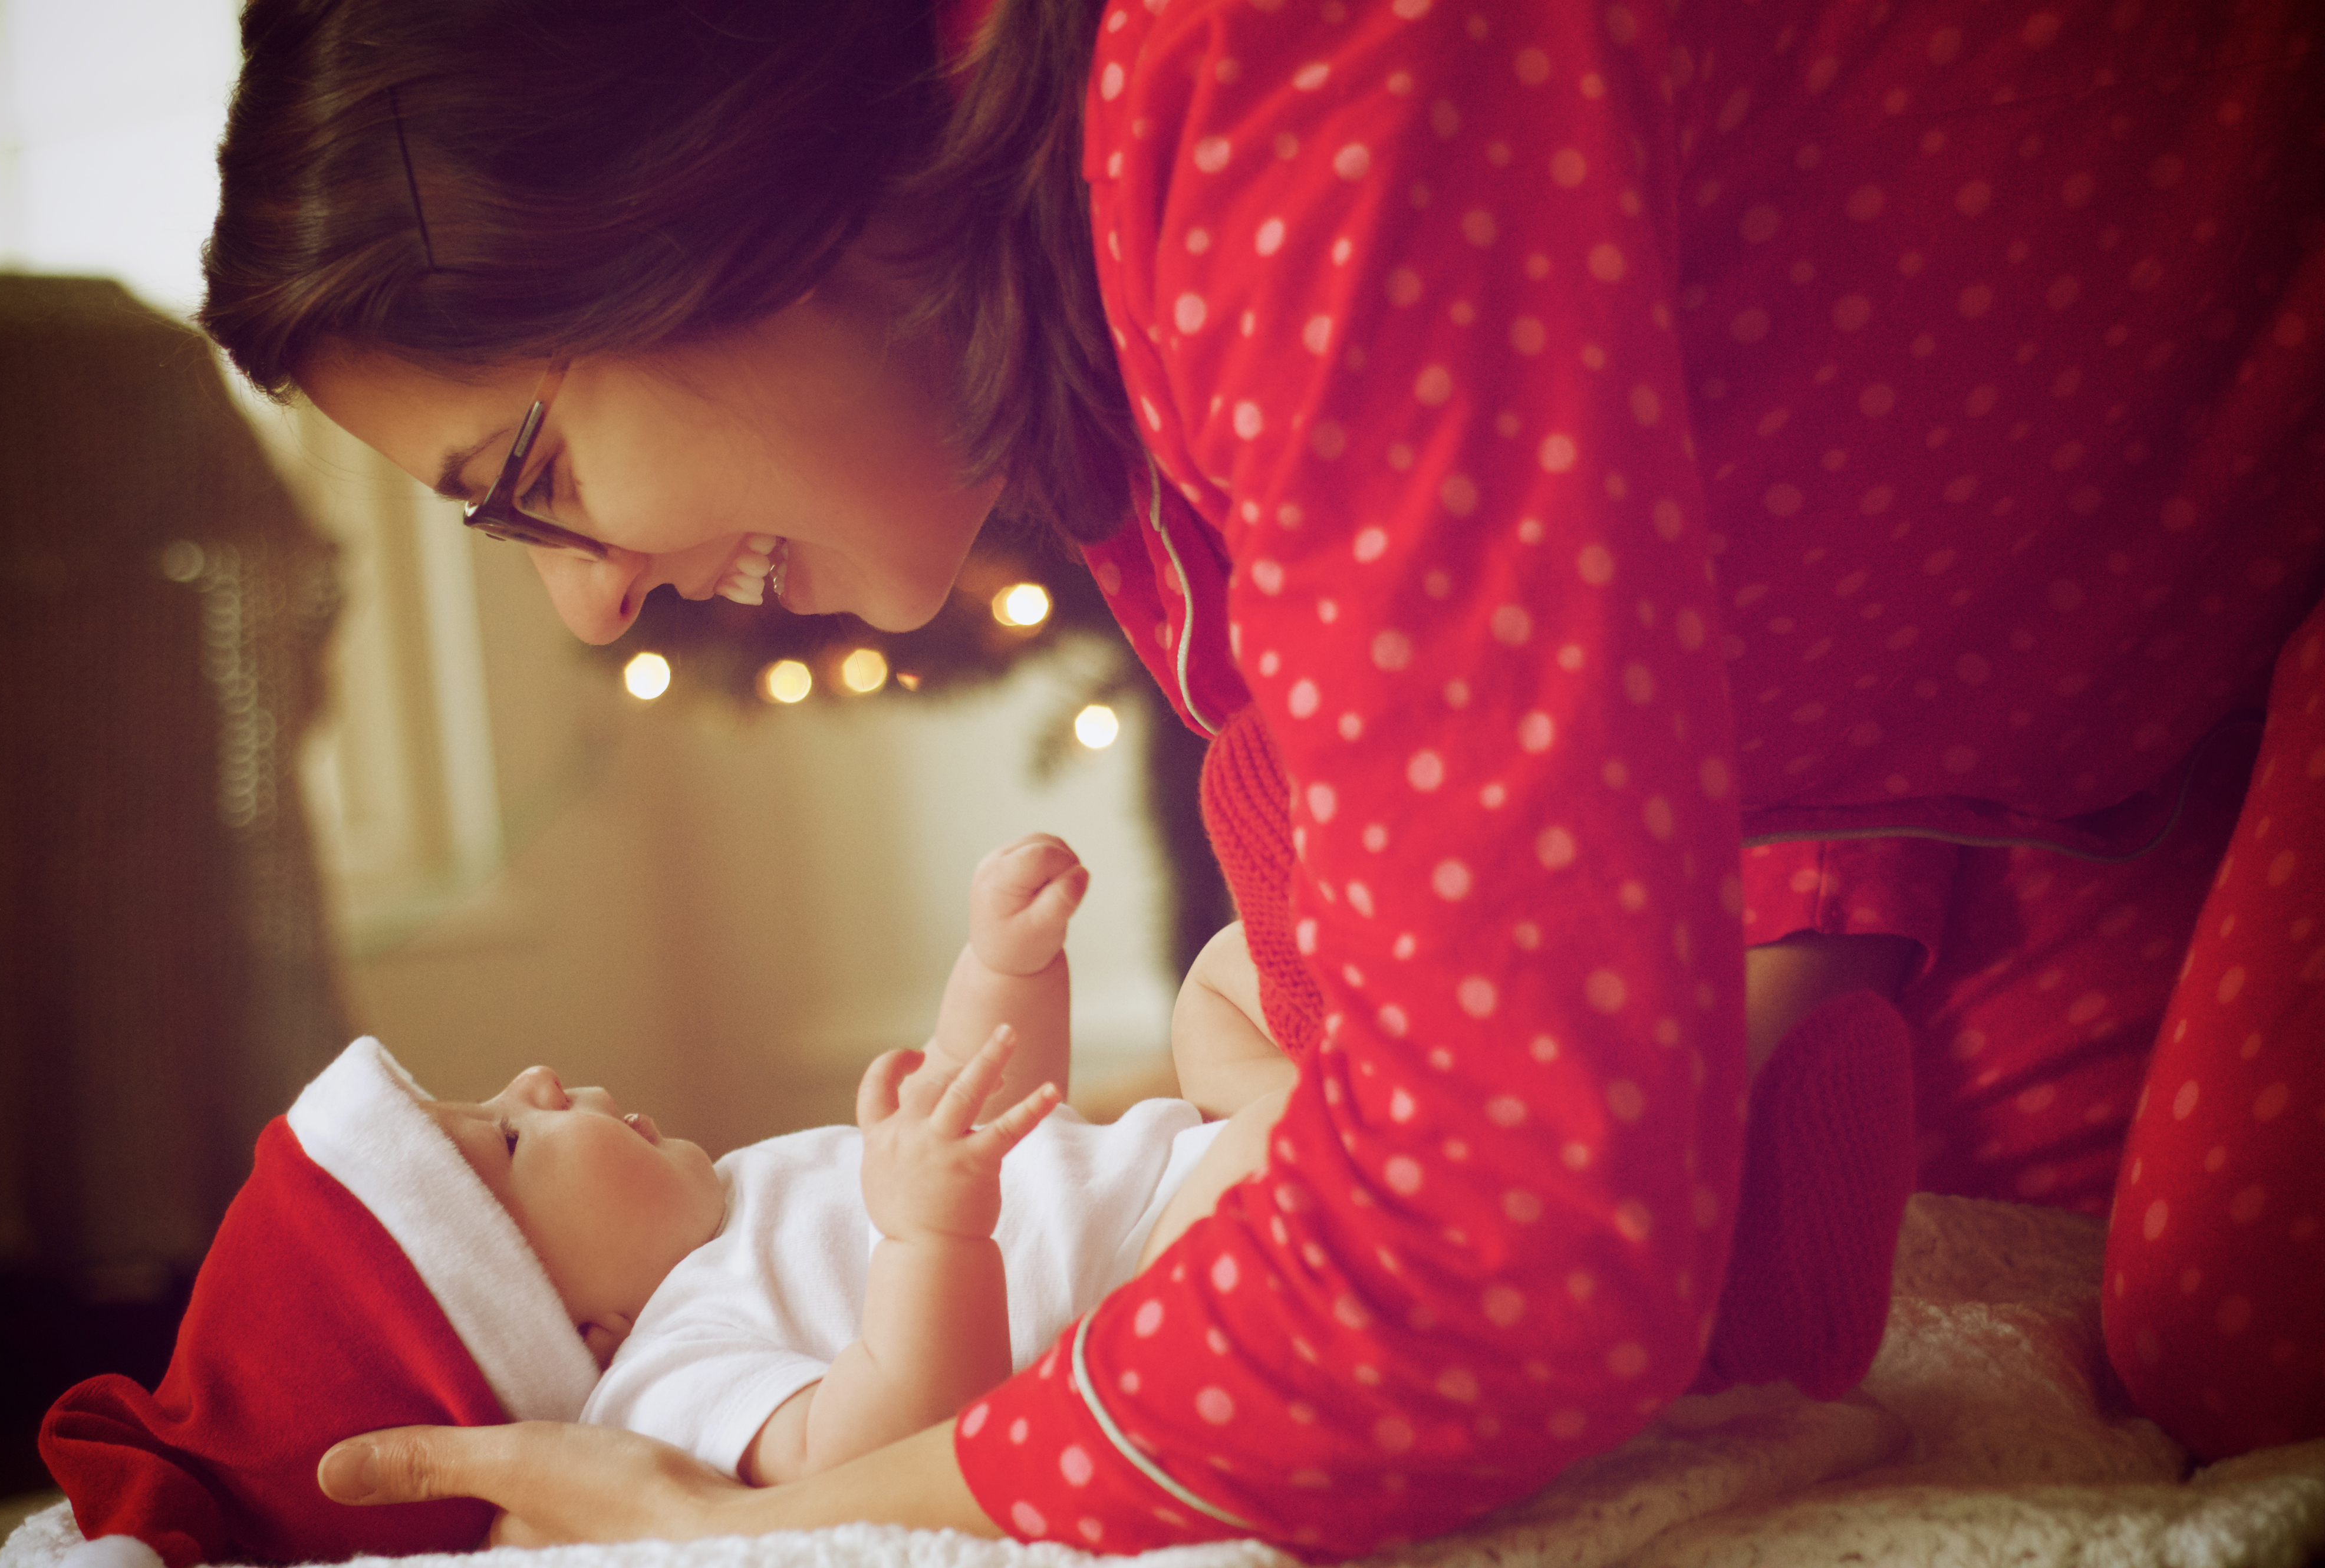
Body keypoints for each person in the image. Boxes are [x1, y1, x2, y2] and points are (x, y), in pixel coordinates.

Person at [198, 0, 2325, 1556]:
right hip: (2018, 739)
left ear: (676, 185)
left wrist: (777, 1532)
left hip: (2144, 634)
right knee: (2068, 1315)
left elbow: (1497, 1258)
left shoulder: (1271, 73)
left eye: (536, 480)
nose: (589, 613)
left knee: (2231, 1345)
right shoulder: (1099, 332)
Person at [41, 835, 1296, 1567]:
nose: (535, 1080)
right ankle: (1387, 1112)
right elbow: (884, 1440)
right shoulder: (667, 1377)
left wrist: (998, 967)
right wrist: (933, 1231)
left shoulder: (739, 1202)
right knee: (1293, 1135)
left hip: (1179, 1158)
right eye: (517, 1139)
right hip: (1167, 1274)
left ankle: (1376, 1089)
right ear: (561, 1329)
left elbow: (987, 1115)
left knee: (1222, 984)